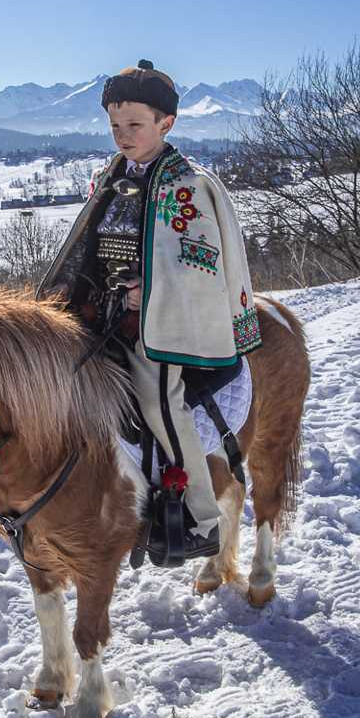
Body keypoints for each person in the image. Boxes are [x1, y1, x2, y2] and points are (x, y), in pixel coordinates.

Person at [37, 60, 260, 563]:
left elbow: (200, 261)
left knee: (160, 401)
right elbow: (87, 246)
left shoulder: (187, 186)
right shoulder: (109, 178)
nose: (122, 135)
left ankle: (201, 517)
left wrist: (152, 292)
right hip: (104, 313)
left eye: (134, 125)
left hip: (162, 325)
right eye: (115, 126)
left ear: (166, 124)